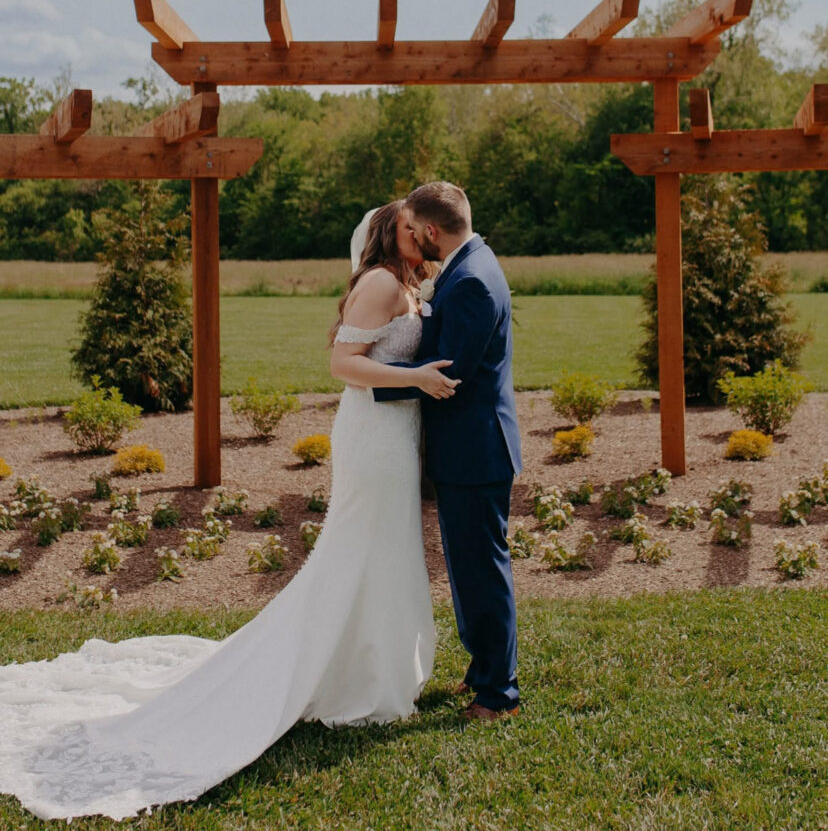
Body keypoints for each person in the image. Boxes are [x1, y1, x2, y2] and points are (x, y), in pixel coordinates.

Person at [0, 200, 457, 822]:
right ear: (386, 235)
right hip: (374, 436)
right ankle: (352, 676)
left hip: (396, 433)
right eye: (409, 228)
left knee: (386, 549)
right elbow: (341, 366)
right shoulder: (379, 282)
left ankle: (373, 667)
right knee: (361, 549)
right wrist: (418, 380)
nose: (420, 236)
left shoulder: (408, 283)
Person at [374, 182, 522, 720]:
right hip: (471, 448)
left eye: (414, 230)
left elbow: (449, 374)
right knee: (468, 569)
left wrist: (366, 379)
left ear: (431, 230)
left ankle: (498, 694)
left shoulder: (472, 284)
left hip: (475, 451)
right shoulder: (469, 266)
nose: (412, 239)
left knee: (482, 570)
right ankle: (483, 670)